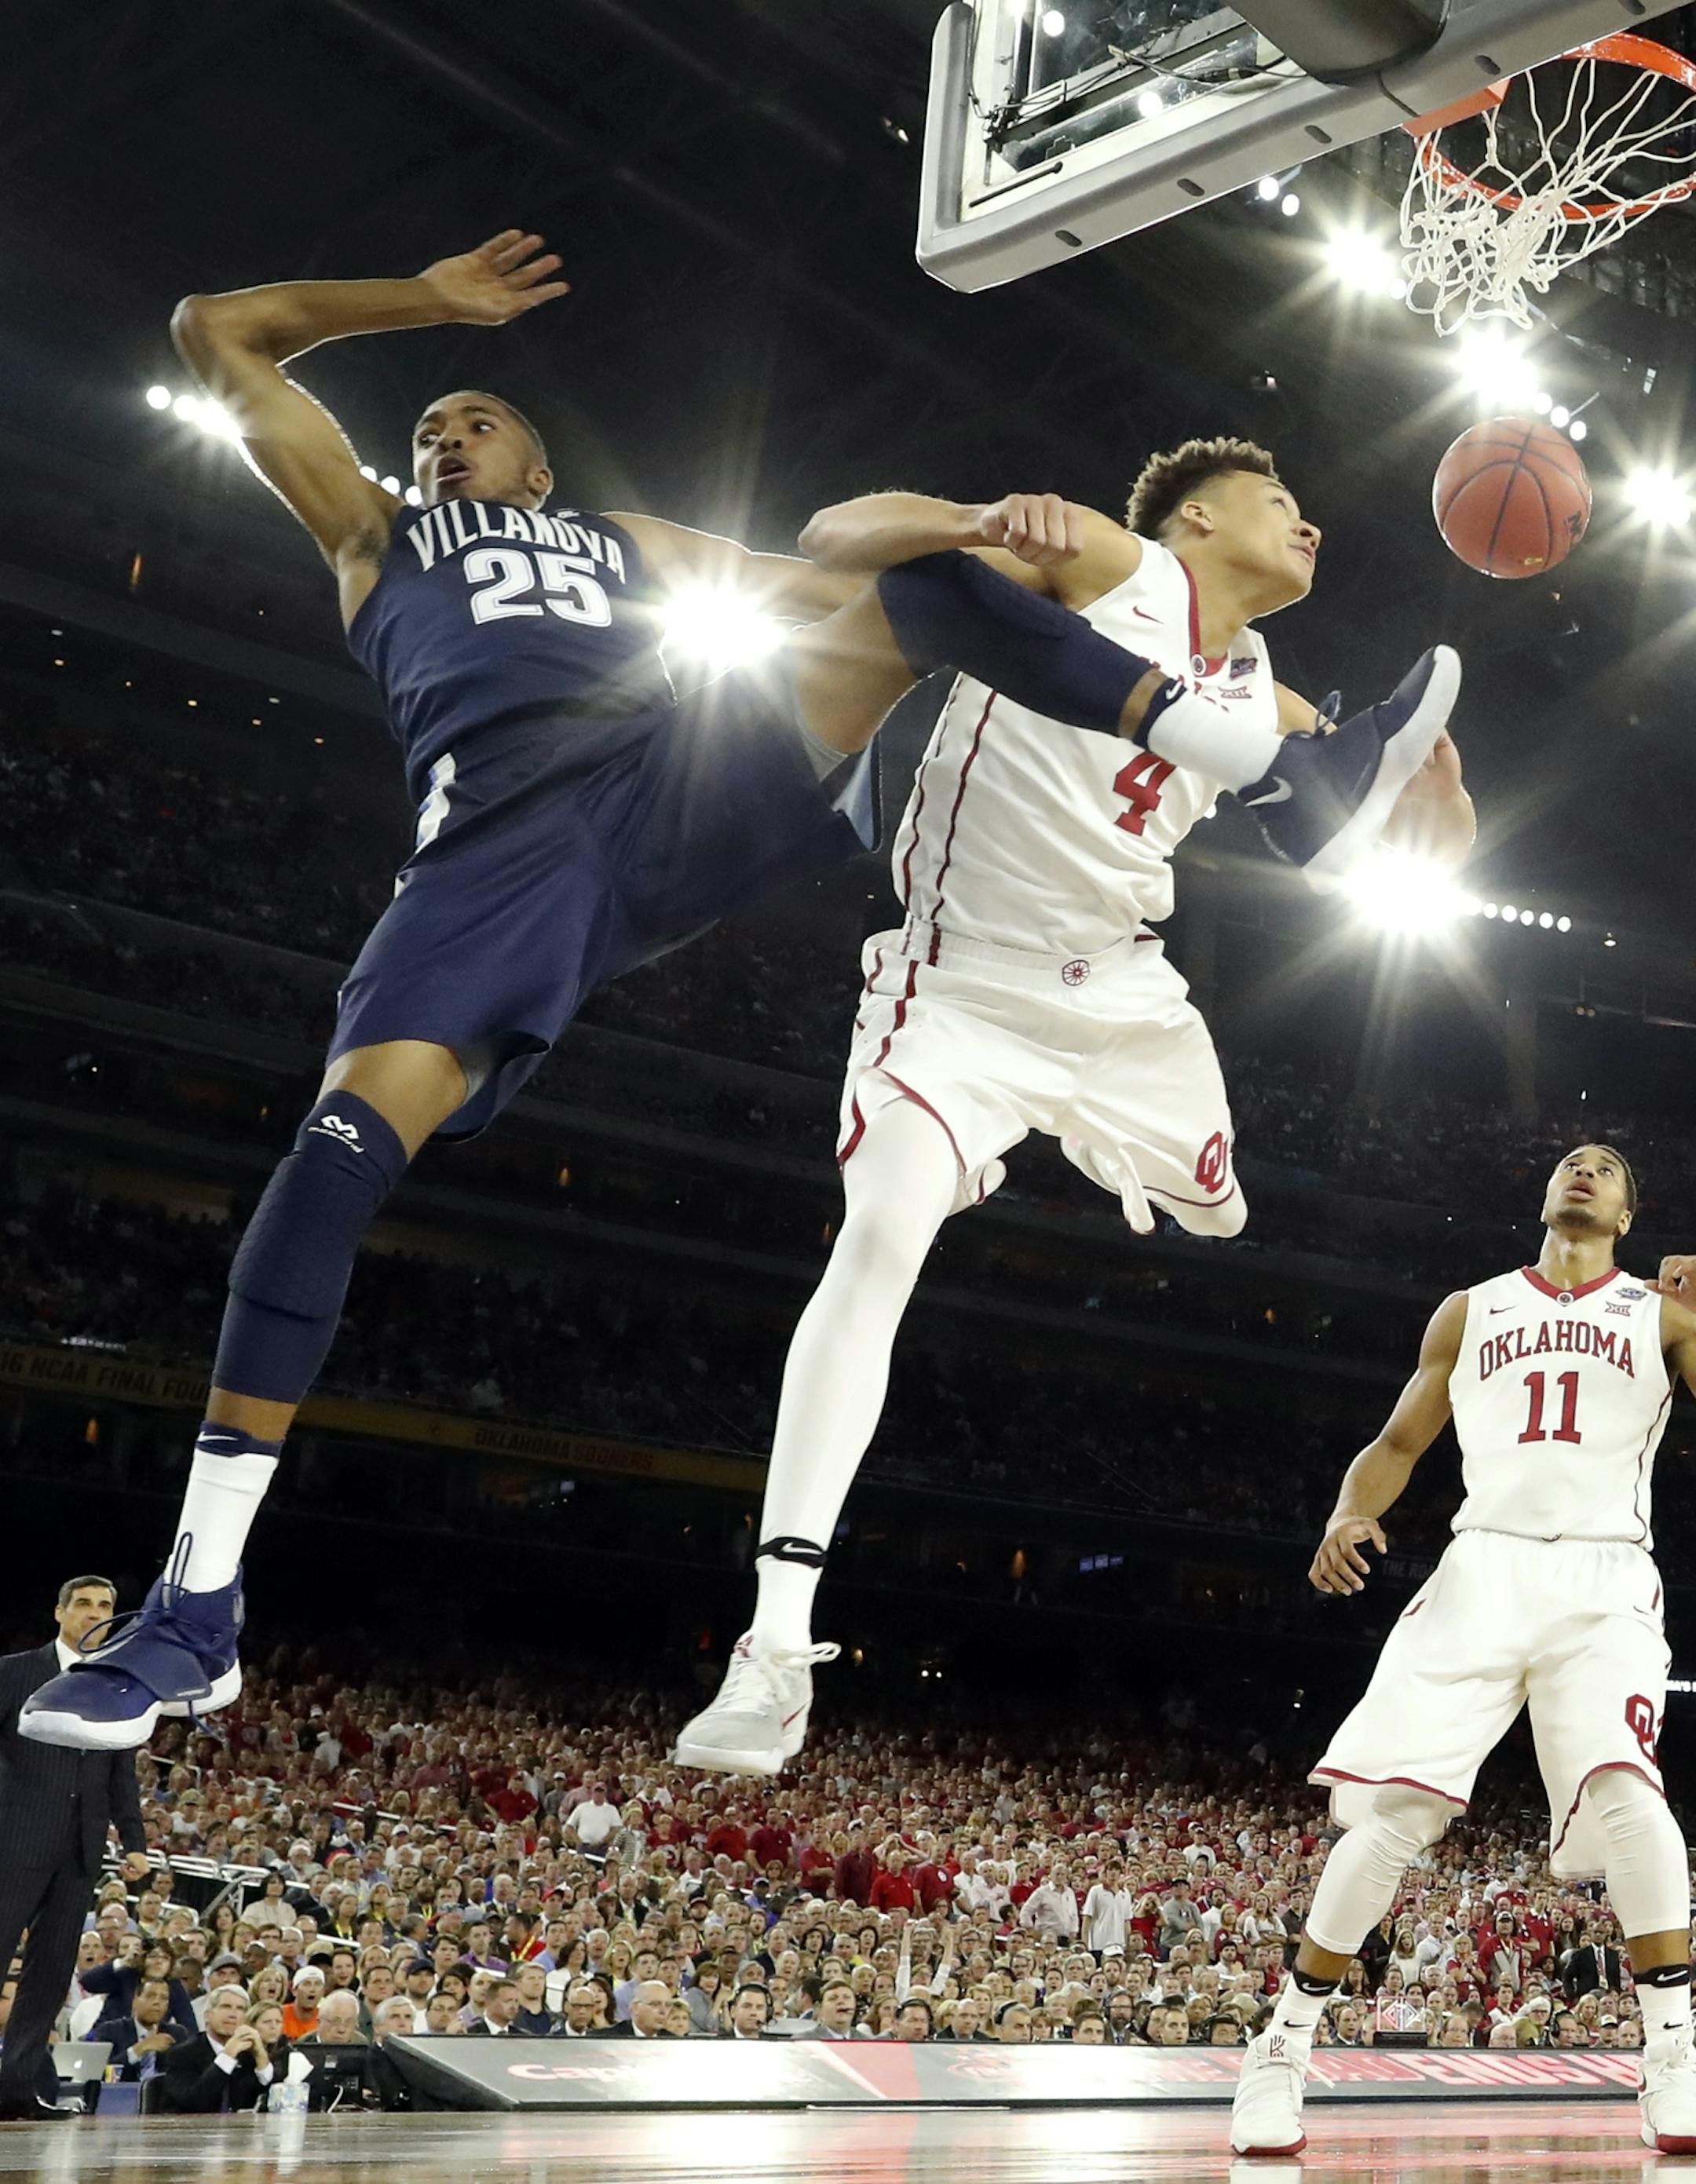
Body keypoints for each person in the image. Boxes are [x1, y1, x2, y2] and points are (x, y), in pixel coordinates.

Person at [22, 247, 1387, 1758]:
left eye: (477, 420)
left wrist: (985, 526)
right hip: (507, 848)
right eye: (430, 424)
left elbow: (832, 576)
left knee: (914, 597)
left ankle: (1242, 744)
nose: (443, 434)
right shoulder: (378, 535)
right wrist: (429, 299)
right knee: (339, 1152)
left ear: (539, 468)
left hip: (676, 784)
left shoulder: (614, 538)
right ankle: (198, 1606)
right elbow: (214, 329)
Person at [674, 450, 1475, 1773]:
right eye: (1285, 502)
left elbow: (1411, 868)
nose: (1314, 518)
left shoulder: (1265, 698)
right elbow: (834, 525)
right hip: (963, 990)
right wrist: (974, 519)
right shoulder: (1117, 563)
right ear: (1201, 518)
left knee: (1223, 1215)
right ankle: (771, 1644)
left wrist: (1433, 804)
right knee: (877, 1240)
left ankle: (1105, 1153)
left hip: (1121, 999)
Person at [1230, 1145, 1696, 2159]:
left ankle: (1673, 2052)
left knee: (1628, 1793)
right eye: (1571, 1160)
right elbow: (1399, 1442)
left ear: (1629, 1211)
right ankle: (1284, 2047)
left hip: (1605, 1573)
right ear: (1544, 1194)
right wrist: (1350, 1511)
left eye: (1607, 1167)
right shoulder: (1471, 1306)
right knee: (1396, 1811)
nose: (1583, 1170)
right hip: (1480, 1567)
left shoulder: (1664, 1311)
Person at [0, 1576, 149, 2120]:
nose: (94, 1613)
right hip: (13, 1840)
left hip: (81, 1848)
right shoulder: (14, 1672)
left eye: (105, 1606)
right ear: (59, 1611)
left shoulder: (118, 1684)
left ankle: (15, 2089)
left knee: (49, 1971)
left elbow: (121, 1770)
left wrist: (134, 1839)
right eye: (83, 1604)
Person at [156, 1985, 280, 2114]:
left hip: (239, 2131)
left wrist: (261, 2056)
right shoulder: (182, 2054)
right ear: (207, 2016)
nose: (233, 2014)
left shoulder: (248, 2055)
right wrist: (228, 2056)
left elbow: (270, 2101)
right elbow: (196, 2102)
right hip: (191, 2130)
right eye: (226, 2007)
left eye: (240, 2009)